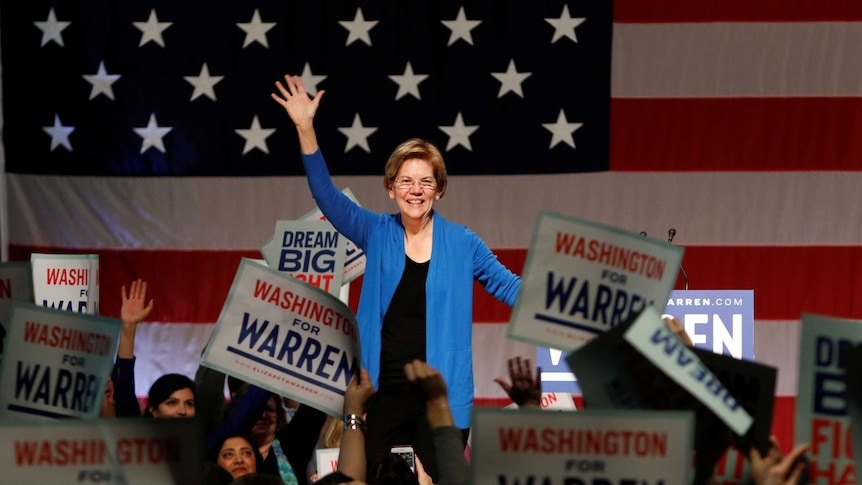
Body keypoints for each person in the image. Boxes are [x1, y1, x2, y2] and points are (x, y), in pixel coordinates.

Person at [271, 73, 521, 482]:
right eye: (406, 180)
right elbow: (325, 196)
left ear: (439, 190)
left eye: (426, 181)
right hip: (384, 389)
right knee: (372, 478)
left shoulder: (463, 243)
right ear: (391, 188)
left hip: (441, 395)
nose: (416, 189)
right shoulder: (376, 232)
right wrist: (305, 128)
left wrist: (566, 305)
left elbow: (510, 287)